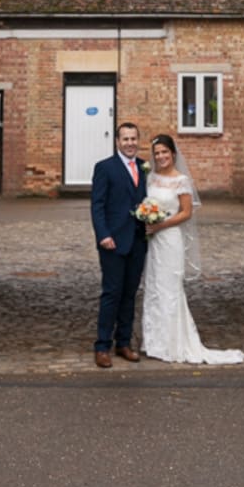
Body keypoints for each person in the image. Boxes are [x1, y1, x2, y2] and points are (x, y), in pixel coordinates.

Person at [141, 133, 244, 364]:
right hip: (154, 242)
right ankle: (154, 342)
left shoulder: (181, 180)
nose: (161, 157)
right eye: (157, 153)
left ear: (173, 154)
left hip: (170, 238)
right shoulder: (150, 178)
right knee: (154, 288)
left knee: (170, 290)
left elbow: (186, 213)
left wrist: (161, 224)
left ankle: (173, 344)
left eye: (164, 152)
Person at [90, 121, 147, 368]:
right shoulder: (105, 168)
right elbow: (97, 205)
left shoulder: (145, 167)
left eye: (133, 139)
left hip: (138, 240)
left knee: (129, 294)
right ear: (117, 142)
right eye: (125, 139)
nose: (130, 143)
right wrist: (103, 234)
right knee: (112, 293)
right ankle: (102, 346)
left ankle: (123, 342)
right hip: (112, 241)